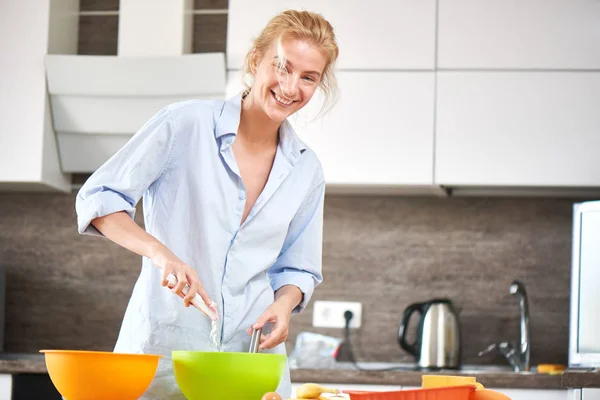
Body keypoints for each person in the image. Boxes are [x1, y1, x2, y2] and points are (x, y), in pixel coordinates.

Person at [75, 9, 339, 400]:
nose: (290, 86)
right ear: (255, 61)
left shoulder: (306, 168)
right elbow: (99, 199)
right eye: (281, 67)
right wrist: (162, 255)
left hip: (248, 364)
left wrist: (284, 305)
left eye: (308, 77)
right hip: (163, 356)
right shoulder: (185, 124)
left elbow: (298, 268)